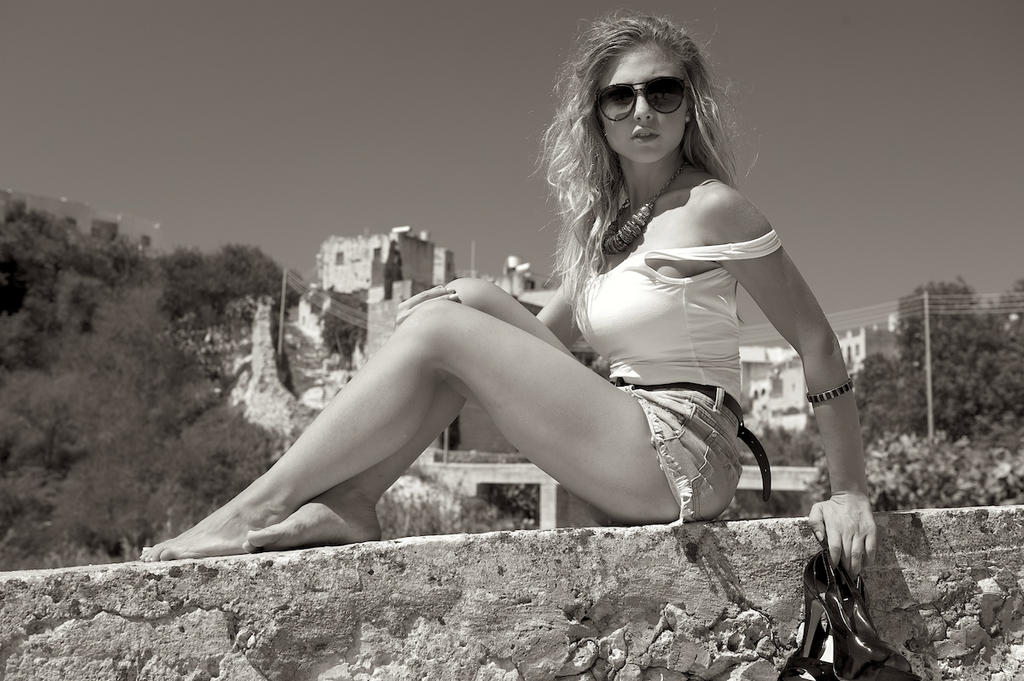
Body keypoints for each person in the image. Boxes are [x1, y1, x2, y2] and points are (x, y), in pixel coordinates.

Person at [141, 11, 877, 579]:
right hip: (628, 430)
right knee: (451, 320)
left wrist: (849, 490)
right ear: (598, 117)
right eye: (619, 96)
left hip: (688, 446)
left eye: (663, 91)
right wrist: (467, 304)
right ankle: (354, 500)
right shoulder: (604, 232)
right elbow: (540, 347)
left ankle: (255, 509)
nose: (642, 111)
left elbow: (815, 341)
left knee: (443, 330)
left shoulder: (714, 208)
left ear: (691, 106)